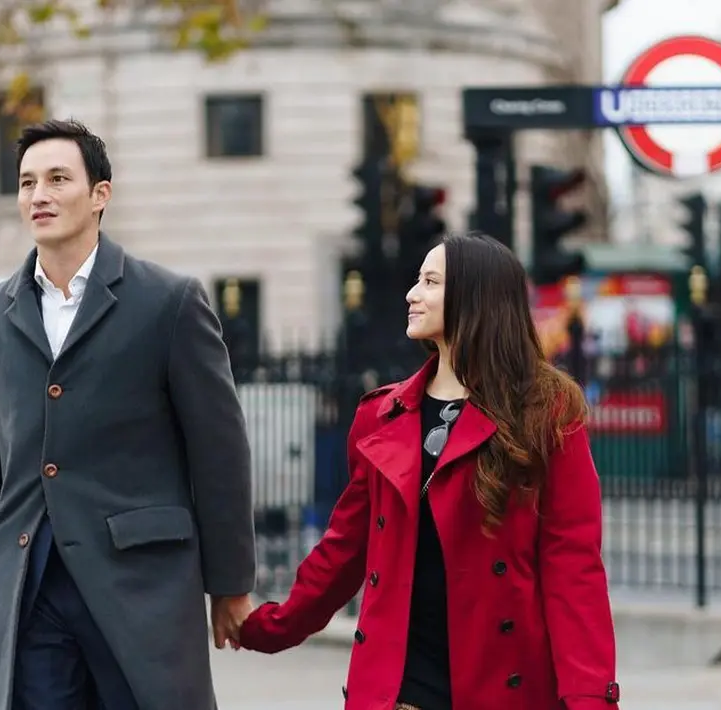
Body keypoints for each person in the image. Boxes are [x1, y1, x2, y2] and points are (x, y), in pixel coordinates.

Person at [236, 232, 620, 709]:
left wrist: (590, 698)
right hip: (400, 693)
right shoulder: (382, 416)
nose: (411, 294)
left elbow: (573, 566)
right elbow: (343, 551)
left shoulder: (548, 411)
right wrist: (267, 626)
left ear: (473, 297)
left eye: (430, 281)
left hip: (505, 686)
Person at [0, 118, 256, 710]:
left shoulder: (168, 302)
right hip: (26, 586)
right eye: (27, 182)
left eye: (58, 178)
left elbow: (218, 450)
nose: (39, 195)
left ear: (99, 195)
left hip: (141, 586)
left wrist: (231, 584)